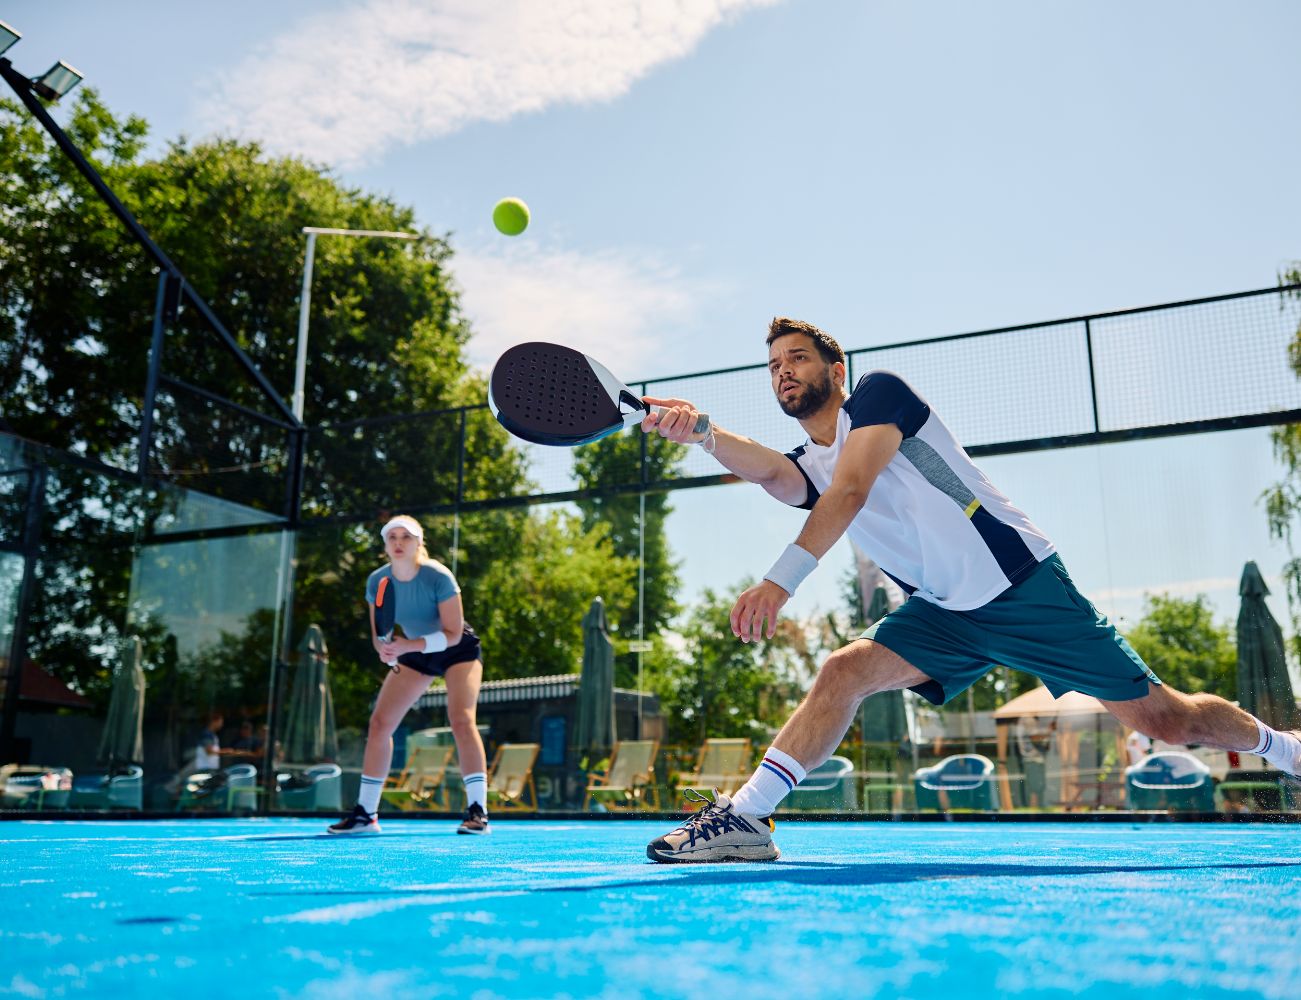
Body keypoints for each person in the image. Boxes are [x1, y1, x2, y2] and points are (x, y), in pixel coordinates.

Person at [639, 316, 1301, 862]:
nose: (783, 370)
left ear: (835, 372)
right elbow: (771, 473)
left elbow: (851, 489)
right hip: (942, 614)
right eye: (773, 365)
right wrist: (701, 433)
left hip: (1021, 586)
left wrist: (778, 583)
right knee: (843, 671)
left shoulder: (879, 396)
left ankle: (1287, 750)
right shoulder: (810, 464)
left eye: (797, 358)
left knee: (1169, 721)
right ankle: (746, 819)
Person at [328, 515, 490, 836]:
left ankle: (478, 812)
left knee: (461, 720)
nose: (399, 542)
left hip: (457, 649)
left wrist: (406, 646)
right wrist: (386, 650)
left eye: (406, 537)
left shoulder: (438, 576)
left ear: (419, 543)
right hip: (413, 650)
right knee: (379, 724)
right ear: (385, 545)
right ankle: (366, 815)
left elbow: (453, 634)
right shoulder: (377, 581)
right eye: (392, 537)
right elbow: (379, 636)